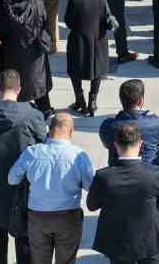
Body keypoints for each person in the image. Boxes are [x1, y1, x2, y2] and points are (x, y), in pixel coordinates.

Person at [0, 68, 49, 264]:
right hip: (24, 190)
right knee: (23, 237)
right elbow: (44, 148)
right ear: (19, 89)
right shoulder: (33, 116)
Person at [7, 109, 95, 264]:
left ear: (50, 129)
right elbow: (91, 186)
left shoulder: (32, 152)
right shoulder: (79, 156)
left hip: (38, 218)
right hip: (68, 217)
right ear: (71, 131)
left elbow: (12, 179)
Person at [86, 121, 159, 264]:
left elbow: (91, 205)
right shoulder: (154, 174)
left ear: (115, 145)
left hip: (117, 244)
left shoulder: (103, 176)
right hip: (150, 243)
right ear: (140, 144)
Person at [64, 0, 112, 116]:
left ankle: (80, 100)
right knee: (97, 70)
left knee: (74, 70)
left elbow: (68, 22)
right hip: (99, 39)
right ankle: (93, 101)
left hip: (79, 40)